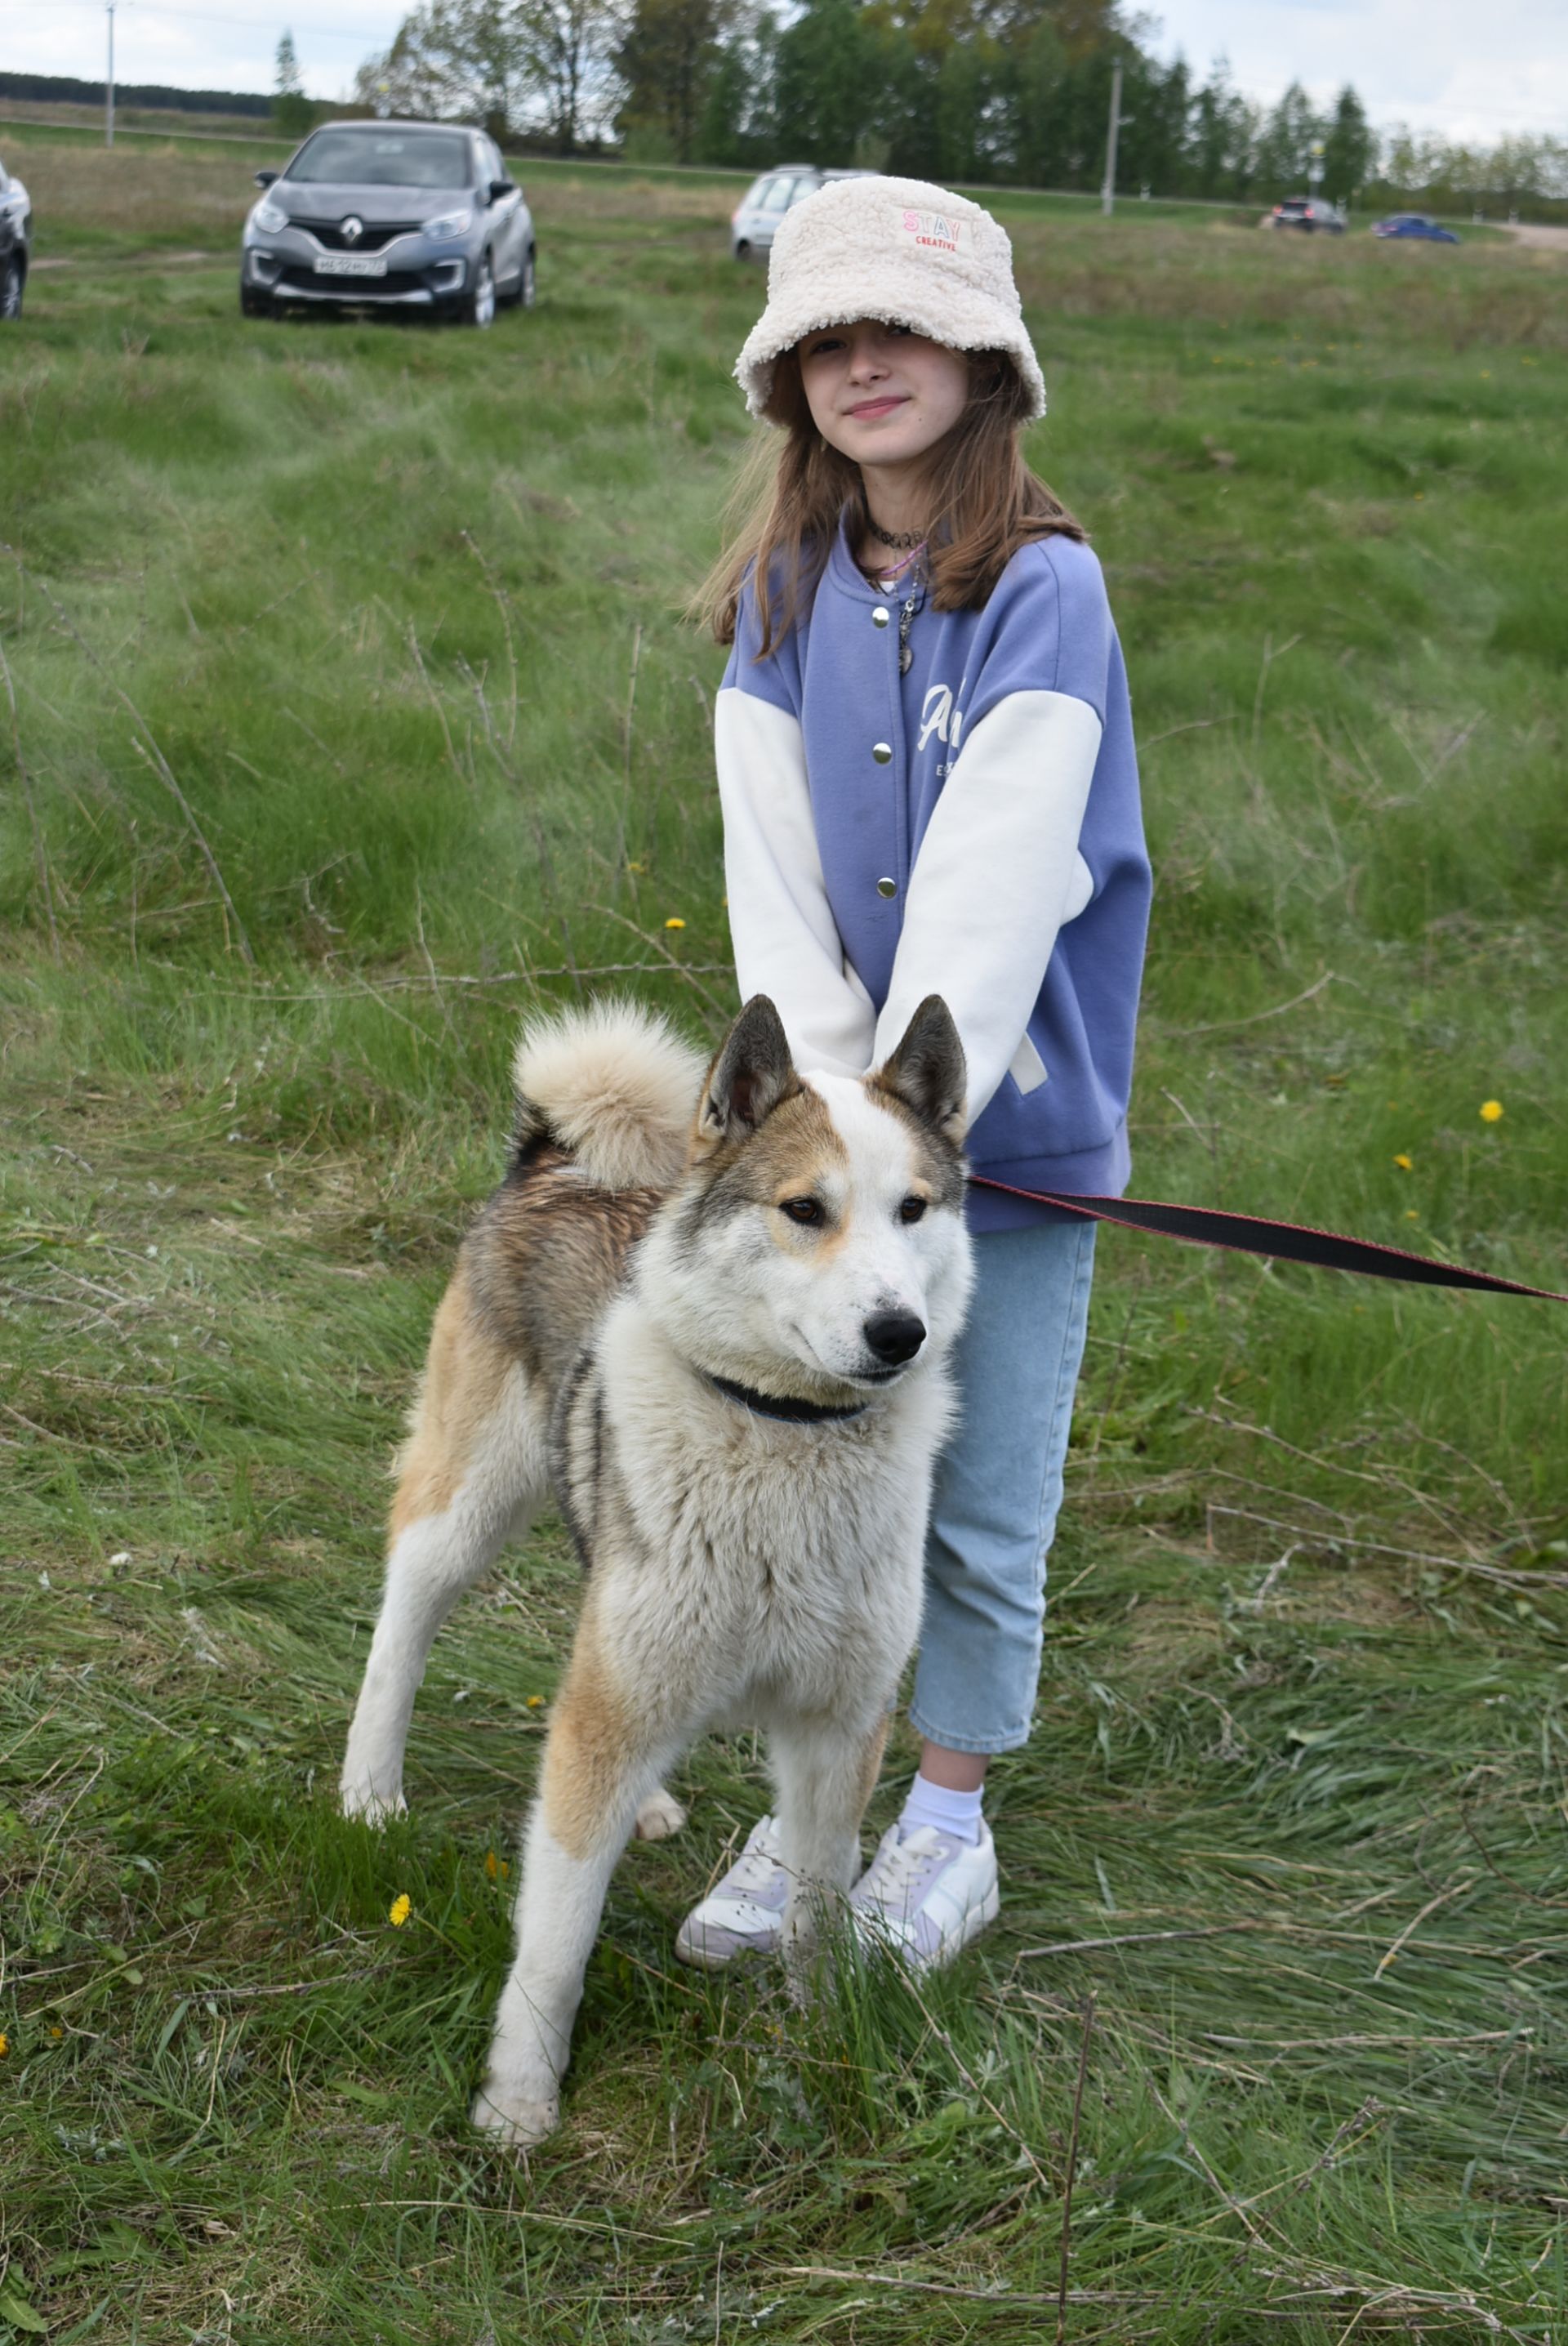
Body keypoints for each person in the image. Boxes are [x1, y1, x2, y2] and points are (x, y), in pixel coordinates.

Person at [678, 176, 1152, 1971]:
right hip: (835, 1159)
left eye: (902, 326)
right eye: (825, 336)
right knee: (832, 1480)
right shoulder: (781, 597)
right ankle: (817, 1796)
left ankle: (946, 1817)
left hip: (996, 1147)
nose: (863, 362)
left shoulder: (1047, 594)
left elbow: (991, 896)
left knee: (979, 1482)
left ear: (984, 354)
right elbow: (772, 879)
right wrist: (813, 1116)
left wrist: (906, 1135)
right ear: (788, 372)